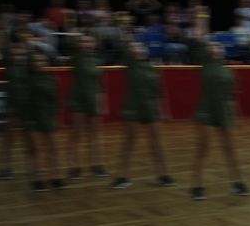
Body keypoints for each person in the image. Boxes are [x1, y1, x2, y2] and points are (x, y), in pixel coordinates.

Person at [110, 42, 174, 189]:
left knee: (157, 143)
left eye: (142, 47)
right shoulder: (130, 65)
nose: (140, 49)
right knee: (128, 143)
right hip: (133, 107)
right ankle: (122, 177)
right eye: (136, 47)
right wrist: (129, 46)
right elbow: (124, 52)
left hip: (151, 108)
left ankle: (164, 175)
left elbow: (159, 92)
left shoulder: (152, 69)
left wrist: (163, 111)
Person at [191, 42, 250, 200]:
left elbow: (232, 96)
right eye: (214, 46)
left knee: (230, 149)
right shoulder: (205, 65)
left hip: (223, 111)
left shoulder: (228, 71)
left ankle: (238, 182)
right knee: (203, 149)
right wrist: (204, 39)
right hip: (206, 110)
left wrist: (237, 115)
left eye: (219, 46)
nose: (218, 47)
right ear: (208, 50)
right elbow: (198, 45)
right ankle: (197, 186)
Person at [23, 50, 66, 192]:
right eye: (36, 60)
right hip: (33, 119)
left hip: (49, 118)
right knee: (36, 150)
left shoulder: (52, 79)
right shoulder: (27, 80)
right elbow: (25, 102)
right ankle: (37, 179)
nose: (39, 63)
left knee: (54, 149)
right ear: (31, 63)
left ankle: (55, 177)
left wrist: (58, 118)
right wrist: (27, 121)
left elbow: (56, 101)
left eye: (42, 60)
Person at [66, 34, 108, 180]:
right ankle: (74, 167)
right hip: (78, 99)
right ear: (79, 44)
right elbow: (70, 46)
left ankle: (97, 165)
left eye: (89, 41)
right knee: (76, 134)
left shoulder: (98, 60)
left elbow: (101, 83)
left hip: (94, 99)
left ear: (95, 43)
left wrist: (103, 102)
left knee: (95, 134)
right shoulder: (76, 58)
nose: (86, 44)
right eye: (83, 41)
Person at [0, 41, 30, 180]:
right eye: (15, 54)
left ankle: (31, 167)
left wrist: (26, 47)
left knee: (28, 138)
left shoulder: (29, 67)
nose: (18, 57)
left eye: (21, 54)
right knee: (8, 138)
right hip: (12, 106)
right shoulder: (10, 67)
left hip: (26, 107)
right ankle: (5, 167)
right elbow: (2, 50)